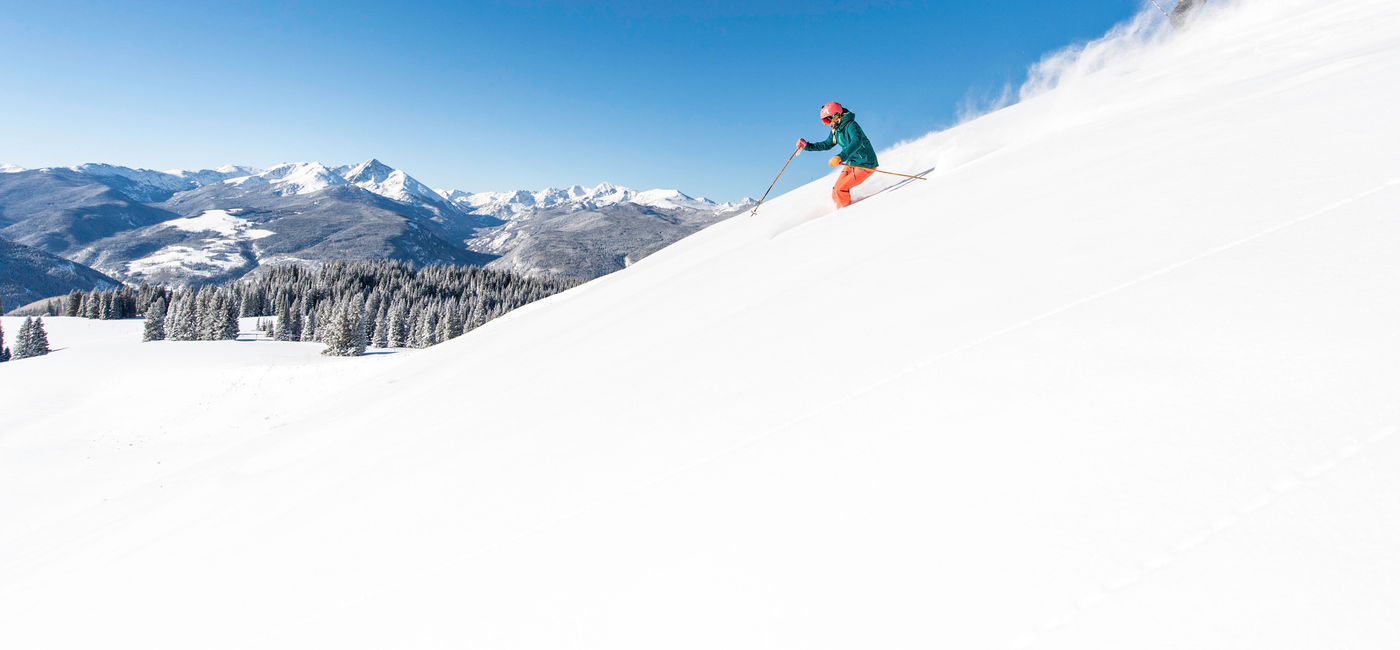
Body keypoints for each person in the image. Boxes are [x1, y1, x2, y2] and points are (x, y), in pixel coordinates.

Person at [797, 102, 879, 209]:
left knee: (841, 189)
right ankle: (838, 209)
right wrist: (807, 146)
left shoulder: (851, 125)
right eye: (825, 121)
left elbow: (856, 142)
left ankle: (843, 214)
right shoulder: (836, 130)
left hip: (866, 163)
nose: (828, 123)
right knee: (836, 189)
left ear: (836, 115)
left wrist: (841, 156)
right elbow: (827, 144)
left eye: (827, 120)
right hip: (852, 163)